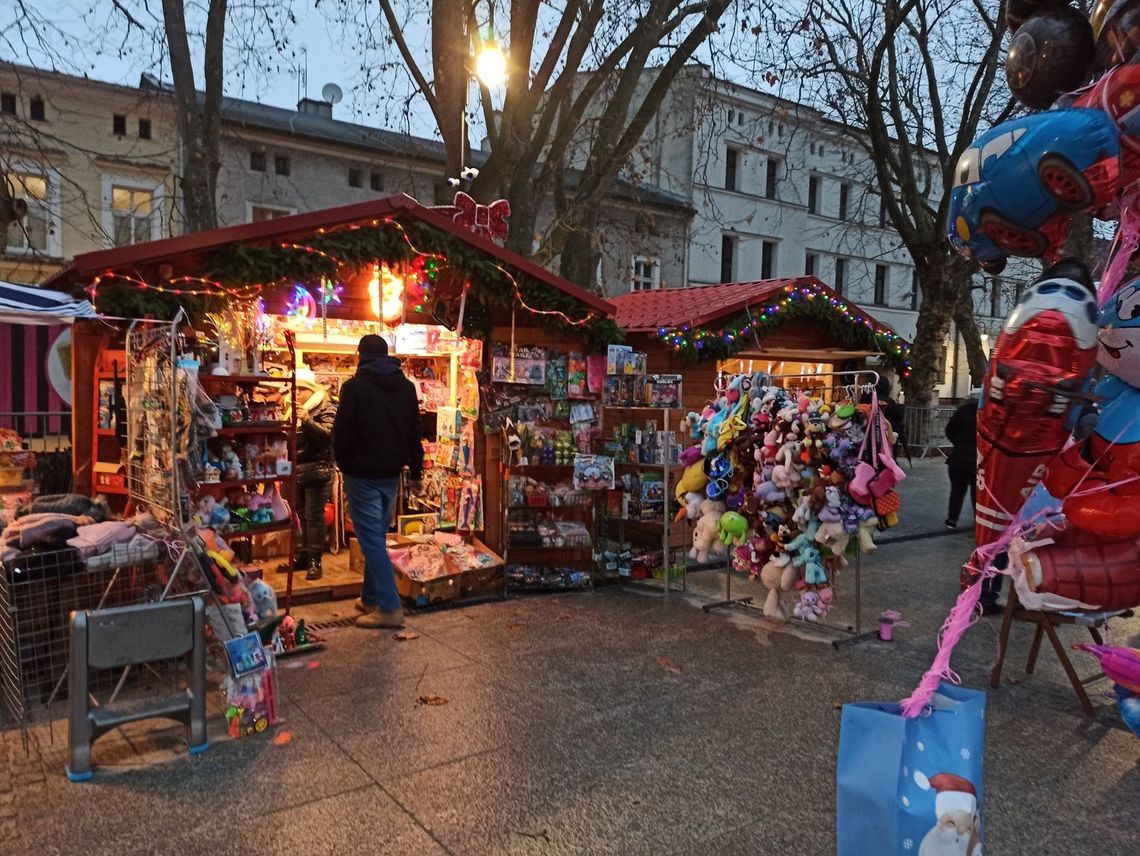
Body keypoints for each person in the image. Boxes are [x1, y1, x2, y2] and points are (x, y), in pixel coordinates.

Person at [333, 334, 423, 629]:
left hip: (362, 475)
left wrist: (344, 465)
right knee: (376, 538)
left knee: (371, 541)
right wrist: (417, 472)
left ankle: (390, 607)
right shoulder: (406, 387)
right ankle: (370, 597)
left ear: (361, 356)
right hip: (391, 475)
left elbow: (342, 432)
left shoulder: (354, 387)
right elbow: (414, 431)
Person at [293, 379, 336, 581]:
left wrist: (307, 421)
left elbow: (328, 435)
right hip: (297, 468)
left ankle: (315, 562)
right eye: (296, 389)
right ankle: (302, 556)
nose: (297, 393)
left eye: (302, 389)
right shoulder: (294, 409)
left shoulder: (325, 408)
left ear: (312, 391)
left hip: (318, 468)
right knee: (301, 515)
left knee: (314, 516)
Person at [944, 390, 978, 531]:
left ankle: (952, 519)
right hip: (979, 458)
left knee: (957, 490)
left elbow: (949, 430)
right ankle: (979, 520)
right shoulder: (987, 414)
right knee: (978, 492)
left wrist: (958, 442)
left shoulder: (961, 412)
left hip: (959, 457)